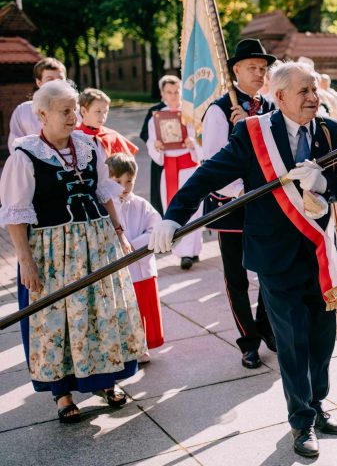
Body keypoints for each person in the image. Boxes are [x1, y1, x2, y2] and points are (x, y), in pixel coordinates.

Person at [149, 61, 337, 458]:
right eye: (304, 92)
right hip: (275, 257)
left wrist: (326, 183)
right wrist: (174, 214)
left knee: (322, 339)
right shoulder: (253, 132)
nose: (314, 98)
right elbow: (206, 175)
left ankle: (319, 404)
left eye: (315, 90)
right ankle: (302, 422)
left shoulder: (331, 131)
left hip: (321, 253)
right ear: (279, 97)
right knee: (292, 341)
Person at [0, 80, 146, 423]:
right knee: (57, 321)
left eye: (73, 110)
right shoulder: (24, 156)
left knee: (102, 313)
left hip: (97, 245)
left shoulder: (88, 145)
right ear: (42, 114)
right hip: (54, 252)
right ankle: (62, 394)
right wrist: (25, 262)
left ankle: (108, 380)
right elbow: (15, 215)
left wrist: (120, 232)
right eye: (64, 111)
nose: (72, 117)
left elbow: (106, 192)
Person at [201, 39, 277, 369]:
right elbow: (213, 163)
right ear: (236, 70)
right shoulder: (218, 111)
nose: (259, 73)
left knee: (270, 269)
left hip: (267, 203)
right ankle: (248, 340)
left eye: (263, 68)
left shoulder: (272, 106)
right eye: (252, 68)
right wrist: (239, 134)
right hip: (232, 203)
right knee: (237, 277)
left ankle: (265, 327)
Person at [107, 152, 164, 363]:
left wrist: (134, 246)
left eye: (128, 181)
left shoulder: (141, 204)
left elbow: (155, 228)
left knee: (143, 309)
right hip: (121, 269)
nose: (124, 186)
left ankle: (143, 346)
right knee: (124, 310)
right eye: (117, 181)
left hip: (142, 267)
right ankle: (127, 346)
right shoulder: (105, 206)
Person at [145, 76, 203, 270]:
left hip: (189, 167)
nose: (173, 96)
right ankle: (183, 252)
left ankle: (191, 250)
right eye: (168, 92)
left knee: (194, 209)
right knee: (173, 208)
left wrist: (193, 144)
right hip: (169, 168)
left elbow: (200, 139)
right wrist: (157, 146)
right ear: (162, 94)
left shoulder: (189, 114)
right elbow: (151, 143)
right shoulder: (157, 117)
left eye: (176, 91)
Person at [7, 57, 66, 151]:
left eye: (60, 79)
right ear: (39, 82)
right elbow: (15, 144)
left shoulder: (75, 110)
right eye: (50, 79)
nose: (56, 83)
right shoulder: (23, 111)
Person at [139, 78, 171, 214]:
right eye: (169, 92)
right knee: (160, 192)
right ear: (162, 93)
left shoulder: (185, 109)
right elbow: (144, 132)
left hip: (182, 158)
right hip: (161, 159)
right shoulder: (155, 111)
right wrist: (155, 142)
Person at [77, 88, 139, 157]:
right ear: (83, 111)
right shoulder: (72, 136)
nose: (103, 116)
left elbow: (129, 164)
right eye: (98, 111)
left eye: (105, 112)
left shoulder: (112, 136)